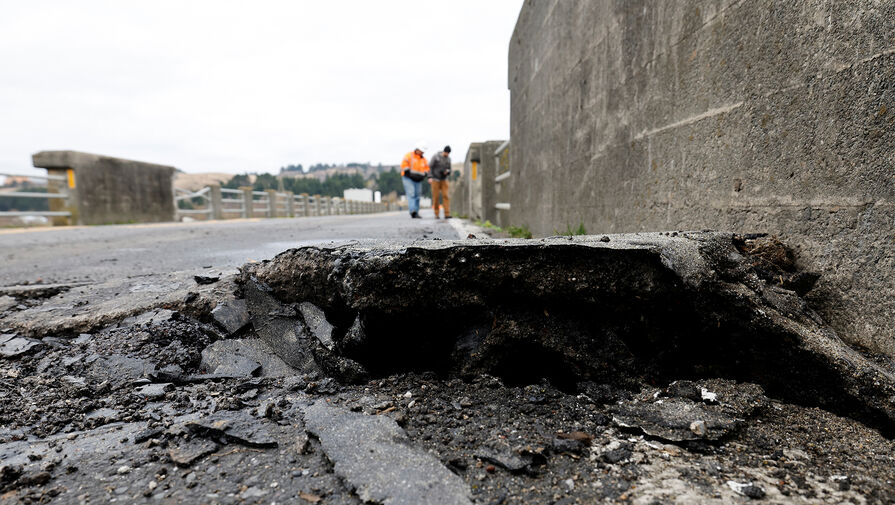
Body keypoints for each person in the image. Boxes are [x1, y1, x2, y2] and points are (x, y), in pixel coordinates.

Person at [401, 141, 430, 218]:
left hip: (418, 180)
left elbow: (427, 168)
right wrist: (408, 173)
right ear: (417, 149)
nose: (422, 152)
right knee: (411, 194)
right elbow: (404, 165)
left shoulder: (424, 160)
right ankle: (412, 211)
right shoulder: (409, 156)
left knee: (417, 195)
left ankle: (416, 212)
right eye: (421, 151)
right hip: (408, 178)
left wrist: (424, 175)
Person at [428, 146, 452, 219]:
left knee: (446, 196)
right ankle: (436, 214)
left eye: (448, 153)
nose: (447, 154)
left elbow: (449, 169)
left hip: (444, 179)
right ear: (443, 151)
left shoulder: (448, 159)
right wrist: (430, 177)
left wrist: (447, 172)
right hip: (435, 179)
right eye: (446, 153)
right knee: (436, 197)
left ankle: (447, 213)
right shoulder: (436, 157)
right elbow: (430, 167)